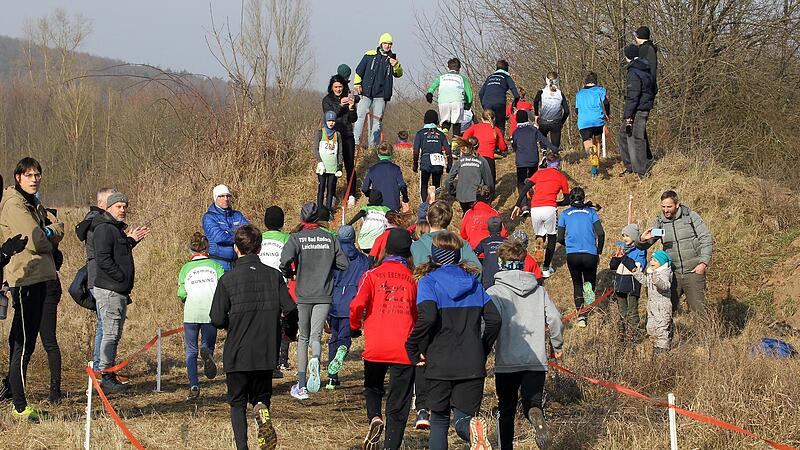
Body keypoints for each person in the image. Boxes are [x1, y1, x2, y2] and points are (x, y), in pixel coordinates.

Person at [406, 232, 501, 450]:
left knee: (439, 420)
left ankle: (470, 429)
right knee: (462, 419)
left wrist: (412, 345)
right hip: (471, 362)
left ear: (434, 256)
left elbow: (428, 317)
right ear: (458, 256)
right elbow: (495, 319)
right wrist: (483, 347)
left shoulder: (428, 282)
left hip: (439, 362)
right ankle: (470, 428)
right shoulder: (474, 284)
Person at [211, 224, 297, 450]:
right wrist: (289, 332)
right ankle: (261, 410)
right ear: (259, 248)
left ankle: (242, 447)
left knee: (237, 403)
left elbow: (217, 318)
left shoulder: (227, 279)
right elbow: (290, 307)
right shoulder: (274, 276)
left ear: (235, 248)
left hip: (238, 353)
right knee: (261, 398)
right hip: (265, 351)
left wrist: (232, 322)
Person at [0, 158, 64, 420]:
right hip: (26, 279)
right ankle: (19, 405)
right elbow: (37, 240)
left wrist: (49, 231)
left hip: (41, 277)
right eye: (29, 175)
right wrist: (50, 233)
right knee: (22, 343)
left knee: (24, 341)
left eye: (38, 174)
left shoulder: (33, 201)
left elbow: (58, 226)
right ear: (18, 177)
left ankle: (12, 393)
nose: (34, 179)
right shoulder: (14, 204)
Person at [487, 240, 563, 450]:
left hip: (507, 361)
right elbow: (555, 319)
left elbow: (488, 323)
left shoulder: (495, 292)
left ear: (501, 262)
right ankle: (535, 414)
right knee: (533, 403)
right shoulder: (539, 291)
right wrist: (557, 346)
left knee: (506, 408)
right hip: (536, 360)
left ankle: (506, 447)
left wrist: (483, 349)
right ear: (523, 262)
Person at [350, 228, 417, 450]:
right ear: (408, 252)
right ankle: (391, 445)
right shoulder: (413, 280)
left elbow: (357, 304)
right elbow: (418, 313)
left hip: (376, 345)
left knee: (373, 387)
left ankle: (375, 417)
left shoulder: (372, 275)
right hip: (403, 347)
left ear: (386, 249)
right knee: (399, 404)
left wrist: (353, 327)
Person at [280, 203, 349, 400]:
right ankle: (316, 360)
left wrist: (290, 273)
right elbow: (344, 264)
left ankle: (302, 385)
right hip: (324, 294)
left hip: (303, 293)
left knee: (303, 337)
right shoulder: (330, 237)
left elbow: (284, 261)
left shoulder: (296, 238)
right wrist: (328, 267)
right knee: (316, 337)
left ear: (302, 218)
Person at [93, 192, 151, 391]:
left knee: (114, 334)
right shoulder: (104, 229)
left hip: (118, 291)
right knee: (109, 334)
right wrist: (121, 277)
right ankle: (105, 376)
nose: (123, 210)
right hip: (110, 290)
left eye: (125, 206)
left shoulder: (116, 230)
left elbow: (119, 249)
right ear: (108, 208)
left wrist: (132, 240)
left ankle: (108, 373)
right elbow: (103, 259)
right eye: (118, 206)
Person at [637, 191, 712, 314]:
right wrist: (642, 239)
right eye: (663, 207)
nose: (665, 210)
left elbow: (706, 238)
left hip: (693, 272)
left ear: (677, 205)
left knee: (700, 312)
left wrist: (703, 263)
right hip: (671, 274)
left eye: (669, 207)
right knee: (667, 311)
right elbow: (645, 245)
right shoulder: (660, 222)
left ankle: (705, 333)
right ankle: (668, 333)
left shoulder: (691, 217)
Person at [178, 232, 224, 399]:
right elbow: (222, 290)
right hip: (210, 312)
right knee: (208, 345)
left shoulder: (185, 269)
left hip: (191, 312)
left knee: (190, 350)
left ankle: (194, 385)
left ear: (191, 250)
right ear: (207, 248)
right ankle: (207, 351)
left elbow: (182, 293)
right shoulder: (216, 266)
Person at [511, 150, 570, 276]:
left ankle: (537, 264)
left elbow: (525, 187)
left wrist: (517, 205)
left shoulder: (539, 173)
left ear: (547, 163)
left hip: (535, 208)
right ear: (558, 164)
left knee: (540, 236)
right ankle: (546, 268)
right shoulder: (561, 177)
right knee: (552, 236)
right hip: (549, 209)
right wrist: (555, 203)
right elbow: (567, 200)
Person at [75, 188, 116, 371]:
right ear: (101, 203)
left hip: (101, 277)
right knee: (105, 324)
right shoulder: (96, 223)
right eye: (111, 200)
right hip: (99, 277)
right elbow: (103, 253)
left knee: (105, 323)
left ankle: (104, 366)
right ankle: (101, 367)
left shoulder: (100, 222)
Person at [327, 225, 370, 390]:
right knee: (344, 338)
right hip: (351, 302)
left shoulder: (333, 257)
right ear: (353, 239)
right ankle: (343, 349)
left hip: (333, 301)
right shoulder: (363, 259)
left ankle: (332, 378)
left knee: (333, 338)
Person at [557, 188, 605, 328]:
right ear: (583, 198)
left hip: (573, 254)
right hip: (590, 253)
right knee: (589, 282)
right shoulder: (591, 212)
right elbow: (601, 234)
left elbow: (559, 237)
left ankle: (581, 316)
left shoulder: (565, 214)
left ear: (570, 199)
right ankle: (589, 305)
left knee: (577, 284)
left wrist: (569, 245)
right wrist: (598, 251)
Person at [354, 33, 404, 148]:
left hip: (381, 95)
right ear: (381, 43)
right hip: (366, 93)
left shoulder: (393, 58)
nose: (388, 46)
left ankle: (373, 146)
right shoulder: (369, 55)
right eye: (386, 43)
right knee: (359, 116)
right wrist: (357, 84)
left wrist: (396, 65)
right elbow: (359, 71)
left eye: (390, 44)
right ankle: (355, 142)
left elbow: (399, 74)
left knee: (377, 121)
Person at [259, 206, 292, 375]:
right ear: (282, 221)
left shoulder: (259, 238)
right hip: (280, 286)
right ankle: (282, 360)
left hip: (259, 286)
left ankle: (264, 360)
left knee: (264, 325)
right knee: (282, 325)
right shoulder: (287, 238)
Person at [410, 201, 482, 271]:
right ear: (450, 219)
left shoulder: (417, 246)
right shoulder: (461, 244)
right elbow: (477, 269)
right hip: (458, 281)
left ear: (427, 218)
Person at [618, 44, 655, 178]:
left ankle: (641, 172)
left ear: (627, 56)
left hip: (638, 109)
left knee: (637, 138)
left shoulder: (633, 72)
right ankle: (631, 167)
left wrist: (628, 114)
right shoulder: (645, 67)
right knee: (624, 134)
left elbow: (633, 95)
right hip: (643, 107)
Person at [609, 224, 647, 343]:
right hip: (620, 283)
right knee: (622, 310)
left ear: (634, 237)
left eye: (627, 235)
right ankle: (622, 331)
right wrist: (615, 258)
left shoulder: (640, 250)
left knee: (632, 310)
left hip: (632, 284)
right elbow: (612, 267)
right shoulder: (621, 248)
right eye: (623, 235)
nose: (625, 238)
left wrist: (624, 258)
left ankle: (633, 333)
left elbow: (637, 268)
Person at [322, 74, 358, 195]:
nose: (338, 89)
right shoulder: (327, 100)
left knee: (349, 165)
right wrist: (341, 106)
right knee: (332, 166)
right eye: (336, 87)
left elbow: (353, 119)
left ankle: (351, 194)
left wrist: (352, 108)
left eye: (340, 86)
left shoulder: (348, 98)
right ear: (331, 87)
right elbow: (330, 116)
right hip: (333, 137)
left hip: (347, 135)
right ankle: (331, 195)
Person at [511, 110, 559, 198]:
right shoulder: (533, 130)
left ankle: (524, 205)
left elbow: (514, 146)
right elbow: (544, 140)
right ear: (527, 118)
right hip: (533, 160)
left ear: (517, 120)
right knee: (533, 179)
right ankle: (535, 197)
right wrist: (554, 149)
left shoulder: (515, 133)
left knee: (521, 182)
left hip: (521, 161)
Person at [633, 250, 673, 355]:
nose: (651, 261)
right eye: (651, 259)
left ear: (662, 262)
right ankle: (656, 345)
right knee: (651, 327)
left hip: (662, 305)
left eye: (655, 260)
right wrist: (636, 273)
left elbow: (666, 286)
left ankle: (663, 349)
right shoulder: (652, 273)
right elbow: (646, 282)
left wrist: (657, 281)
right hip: (651, 305)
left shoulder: (664, 273)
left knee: (661, 327)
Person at [203, 184, 249, 271]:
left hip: (238, 263)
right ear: (215, 198)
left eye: (228, 196)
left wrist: (228, 233)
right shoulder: (209, 217)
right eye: (221, 196)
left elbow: (248, 233)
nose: (226, 199)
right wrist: (238, 235)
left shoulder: (237, 215)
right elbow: (219, 237)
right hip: (218, 264)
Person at [445, 137, 494, 214]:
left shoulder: (460, 161)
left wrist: (453, 192)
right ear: (478, 146)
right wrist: (489, 198)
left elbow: (448, 180)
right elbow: (489, 182)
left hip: (462, 196)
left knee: (466, 214)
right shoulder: (482, 161)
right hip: (477, 196)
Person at [426, 57, 473, 136]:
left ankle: (444, 137)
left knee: (445, 122)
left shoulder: (441, 77)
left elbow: (432, 87)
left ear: (448, 67)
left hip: (443, 102)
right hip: (457, 101)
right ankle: (455, 143)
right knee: (456, 123)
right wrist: (467, 105)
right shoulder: (463, 78)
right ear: (459, 68)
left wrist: (429, 94)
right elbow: (469, 95)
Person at [413, 110, 452, 204]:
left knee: (424, 184)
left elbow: (416, 150)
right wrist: (449, 165)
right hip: (438, 161)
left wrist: (415, 164)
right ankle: (435, 205)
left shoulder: (420, 133)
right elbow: (448, 150)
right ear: (436, 121)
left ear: (425, 120)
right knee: (437, 185)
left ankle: (424, 206)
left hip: (426, 161)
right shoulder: (441, 134)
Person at [462, 109, 507, 185]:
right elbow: (503, 147)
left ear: (482, 119)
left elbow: (464, 137)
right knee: (490, 184)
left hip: (475, 158)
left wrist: (470, 147)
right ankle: (490, 196)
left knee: (475, 183)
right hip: (488, 160)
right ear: (494, 119)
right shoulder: (496, 130)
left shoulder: (475, 127)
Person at [361, 143, 409, 212]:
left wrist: (370, 194)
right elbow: (402, 186)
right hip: (393, 205)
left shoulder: (372, 169)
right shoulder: (396, 168)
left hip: (377, 206)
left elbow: (364, 188)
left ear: (378, 154)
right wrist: (405, 199)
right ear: (392, 154)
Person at [479, 59, 520, 134]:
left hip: (487, 103)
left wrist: (484, 106)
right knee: (500, 127)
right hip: (499, 103)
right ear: (507, 69)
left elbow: (481, 93)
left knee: (488, 126)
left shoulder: (489, 77)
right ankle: (500, 144)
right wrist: (514, 105)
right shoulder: (507, 77)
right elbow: (516, 95)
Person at [460, 185, 507, 249]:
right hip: (490, 250)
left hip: (472, 250)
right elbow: (503, 233)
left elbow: (463, 234)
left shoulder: (468, 213)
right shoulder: (494, 213)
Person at [574, 72, 610, 155]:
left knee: (587, 141)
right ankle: (596, 165)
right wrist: (607, 114)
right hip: (597, 119)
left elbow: (576, 110)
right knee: (597, 140)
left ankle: (592, 156)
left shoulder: (579, 94)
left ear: (585, 82)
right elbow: (606, 103)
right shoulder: (600, 90)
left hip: (584, 121)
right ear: (596, 81)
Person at [315, 111, 345, 210]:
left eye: (333, 121)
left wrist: (340, 166)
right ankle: (319, 209)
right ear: (325, 121)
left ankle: (328, 210)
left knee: (331, 189)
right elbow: (315, 149)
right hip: (322, 167)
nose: (331, 123)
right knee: (321, 188)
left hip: (333, 167)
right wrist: (319, 162)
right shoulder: (320, 133)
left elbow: (340, 152)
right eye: (329, 121)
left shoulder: (338, 134)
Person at [533, 72, 570, 147]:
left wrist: (536, 115)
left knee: (543, 139)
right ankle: (554, 155)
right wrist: (561, 122)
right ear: (557, 80)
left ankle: (544, 153)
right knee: (555, 147)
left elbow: (535, 101)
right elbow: (567, 111)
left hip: (543, 121)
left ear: (546, 80)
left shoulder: (541, 92)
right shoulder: (560, 93)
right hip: (556, 123)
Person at [348, 190, 390, 254]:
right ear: (381, 199)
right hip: (378, 243)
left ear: (370, 199)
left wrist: (349, 224)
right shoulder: (386, 209)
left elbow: (360, 214)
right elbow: (394, 216)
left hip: (364, 243)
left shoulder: (366, 208)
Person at [474, 217, 506, 289]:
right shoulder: (506, 242)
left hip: (488, 277)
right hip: (503, 277)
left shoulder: (484, 242)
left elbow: (474, 254)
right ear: (501, 228)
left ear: (488, 229)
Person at [633, 26, 658, 96]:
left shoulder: (645, 49)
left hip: (645, 87)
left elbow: (644, 69)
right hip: (647, 86)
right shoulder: (648, 48)